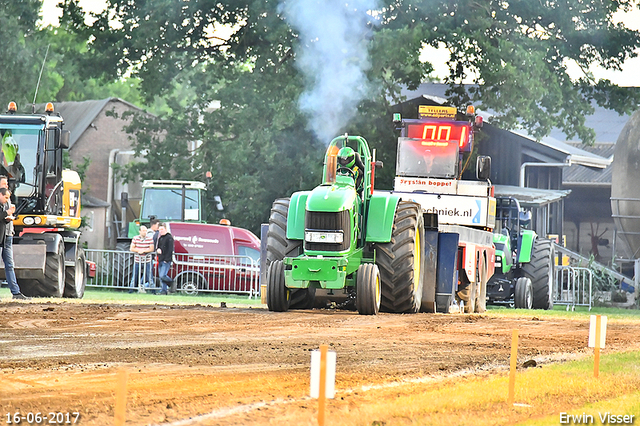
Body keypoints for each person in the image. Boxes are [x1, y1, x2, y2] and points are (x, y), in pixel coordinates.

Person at [0, 177, 29, 300]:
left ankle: (16, 292)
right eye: (4, 183)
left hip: (7, 234)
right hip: (2, 235)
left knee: (10, 264)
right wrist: (7, 214)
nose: (7, 185)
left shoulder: (6, 198)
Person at [128, 225, 154, 293]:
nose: (144, 232)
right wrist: (138, 251)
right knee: (134, 276)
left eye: (145, 231)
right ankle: (131, 290)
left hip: (147, 261)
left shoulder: (150, 239)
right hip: (137, 260)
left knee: (150, 277)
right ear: (139, 231)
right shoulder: (135, 238)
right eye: (143, 231)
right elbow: (131, 248)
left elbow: (151, 248)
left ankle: (153, 291)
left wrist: (143, 251)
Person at [156, 223, 175, 295]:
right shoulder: (160, 238)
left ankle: (172, 282)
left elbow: (170, 250)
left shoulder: (169, 238)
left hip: (166, 260)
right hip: (160, 259)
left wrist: (167, 259)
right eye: (159, 229)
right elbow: (158, 247)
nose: (160, 231)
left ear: (166, 229)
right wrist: (157, 250)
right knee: (161, 277)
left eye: (162, 229)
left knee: (162, 275)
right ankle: (163, 290)